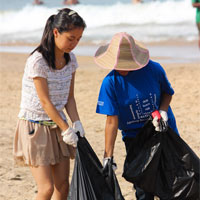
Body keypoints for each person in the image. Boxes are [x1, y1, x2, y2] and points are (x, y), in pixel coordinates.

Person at [94, 32, 179, 200]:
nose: (123, 68)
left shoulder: (154, 69)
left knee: (170, 183)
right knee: (143, 189)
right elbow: (111, 122)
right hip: (135, 139)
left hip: (162, 132)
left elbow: (167, 93)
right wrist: (108, 157)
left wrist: (162, 111)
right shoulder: (110, 83)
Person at [13, 8, 86, 200]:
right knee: (46, 188)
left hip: (58, 126)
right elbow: (45, 102)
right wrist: (66, 129)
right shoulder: (37, 61)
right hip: (35, 126)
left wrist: (76, 123)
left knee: (62, 186)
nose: (74, 44)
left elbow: (69, 98)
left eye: (78, 39)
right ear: (56, 32)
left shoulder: (71, 61)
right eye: (71, 38)